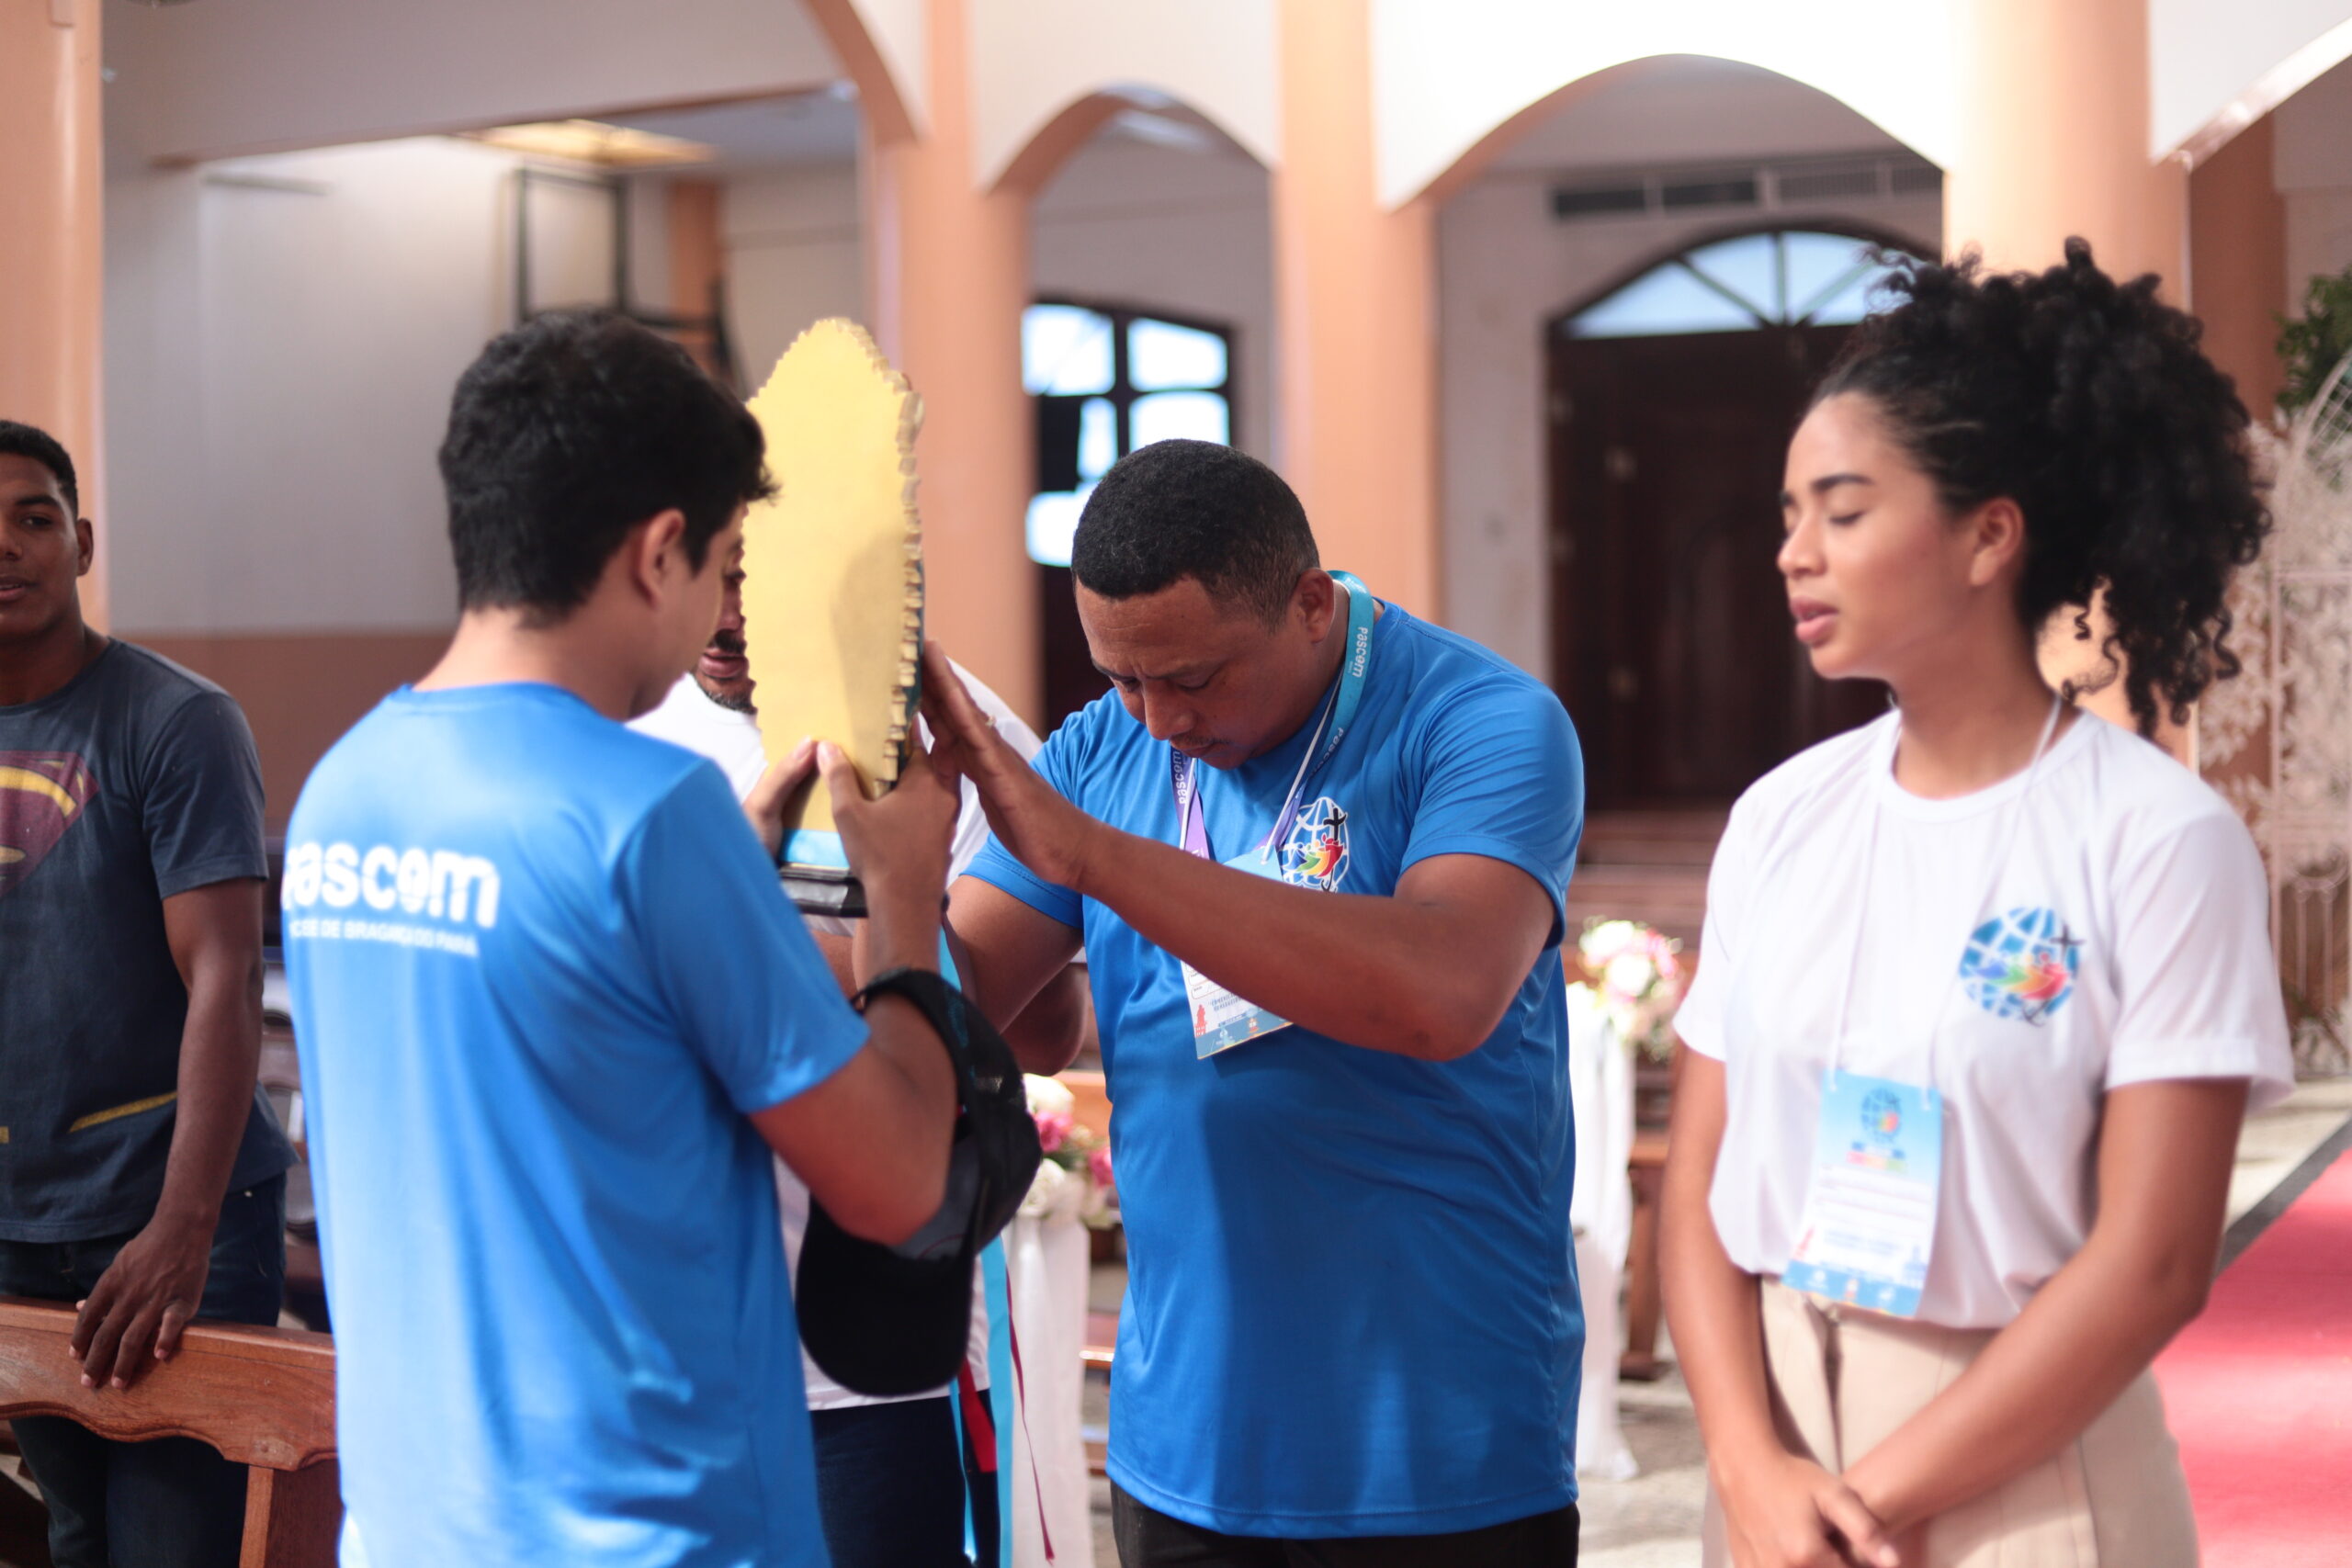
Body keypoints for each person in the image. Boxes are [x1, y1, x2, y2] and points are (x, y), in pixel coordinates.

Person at [282, 310, 970, 1566]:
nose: (728, 606)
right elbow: (896, 1183)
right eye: (724, 563)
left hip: (415, 1519)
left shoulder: (344, 789)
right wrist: (908, 899)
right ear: (662, 553)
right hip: (650, 1526)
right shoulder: (651, 816)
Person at [1661, 241, 2294, 1568]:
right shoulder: (1781, 818)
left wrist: (1865, 1506)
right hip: (1774, 1456)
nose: (1791, 553)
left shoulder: (2155, 838)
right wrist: (1747, 1468)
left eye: (1841, 512)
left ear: (1988, 536)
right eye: (1787, 513)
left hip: (2024, 1470)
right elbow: (1701, 1179)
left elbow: (2154, 1261)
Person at [922, 438, 1587, 1566]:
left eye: (1193, 678)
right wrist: (883, 855)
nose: (1158, 720)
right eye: (1122, 678)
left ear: (1311, 605)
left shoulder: (1480, 722)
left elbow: (1441, 991)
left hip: (1434, 1437)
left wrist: (1093, 857)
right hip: (1186, 1436)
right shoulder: (1104, 748)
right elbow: (959, 991)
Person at [631, 550, 1080, 1568]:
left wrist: (873, 918)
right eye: (704, 569)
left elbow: (1045, 1025)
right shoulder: (625, 723)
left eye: (755, 577)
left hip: (875, 1339)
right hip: (673, 1329)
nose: (726, 615)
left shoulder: (944, 728)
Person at [0, 420, 292, 1568]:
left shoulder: (174, 721)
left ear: (82, 543)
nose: (7, 545)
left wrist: (184, 1228)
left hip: (168, 1213)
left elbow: (225, 973)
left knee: (172, 1548)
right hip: (18, 1225)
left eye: (33, 518)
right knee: (76, 1539)